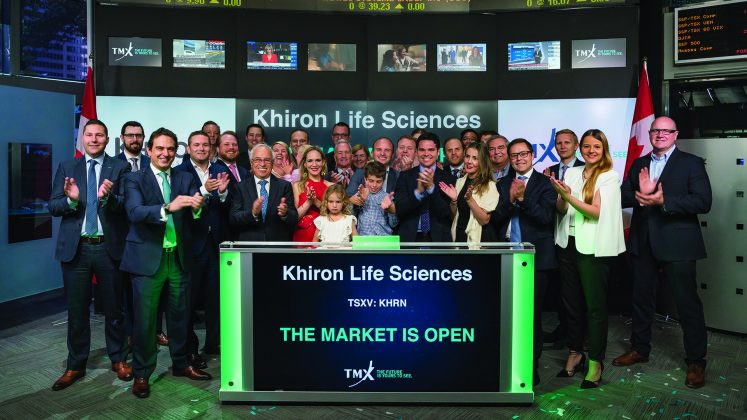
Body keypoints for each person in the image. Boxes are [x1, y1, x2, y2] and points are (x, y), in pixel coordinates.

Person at [613, 116, 712, 389]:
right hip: (643, 242)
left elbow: (703, 201)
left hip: (678, 243)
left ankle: (696, 360)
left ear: (675, 134)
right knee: (641, 299)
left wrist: (663, 200)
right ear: (650, 134)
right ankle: (639, 349)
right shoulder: (639, 163)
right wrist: (639, 196)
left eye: (666, 131)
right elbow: (622, 195)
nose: (660, 135)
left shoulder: (691, 163)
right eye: (656, 130)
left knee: (687, 304)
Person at [120, 127, 210, 399]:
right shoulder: (134, 178)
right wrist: (168, 207)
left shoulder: (184, 177)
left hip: (178, 259)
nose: (165, 153)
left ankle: (181, 363)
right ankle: (142, 373)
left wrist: (197, 206)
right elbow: (135, 212)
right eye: (159, 148)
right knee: (145, 322)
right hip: (147, 260)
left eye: (170, 149)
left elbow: (196, 209)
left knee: (180, 316)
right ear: (149, 150)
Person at [49, 119, 132, 391]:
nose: (94, 139)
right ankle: (76, 364)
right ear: (82, 138)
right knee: (77, 311)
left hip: (109, 248)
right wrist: (71, 200)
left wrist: (109, 198)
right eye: (89, 135)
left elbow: (126, 206)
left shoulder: (119, 167)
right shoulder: (67, 167)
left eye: (99, 135)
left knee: (115, 309)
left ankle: (118, 358)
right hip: (77, 249)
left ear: (107, 139)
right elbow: (53, 206)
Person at [550, 129, 625, 389]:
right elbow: (561, 209)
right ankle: (575, 352)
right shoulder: (571, 172)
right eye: (586, 146)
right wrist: (561, 196)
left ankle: (595, 361)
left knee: (595, 308)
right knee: (571, 304)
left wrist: (568, 196)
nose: (591, 151)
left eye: (596, 147)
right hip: (567, 244)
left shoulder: (609, 176)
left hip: (592, 248)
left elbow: (595, 213)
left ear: (604, 150)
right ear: (580, 148)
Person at [490, 138, 558, 386]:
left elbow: (546, 218)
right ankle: (507, 361)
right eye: (514, 155)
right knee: (506, 312)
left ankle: (530, 364)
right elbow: (495, 219)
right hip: (507, 254)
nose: (519, 159)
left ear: (532, 155)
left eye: (523, 154)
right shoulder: (502, 184)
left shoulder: (545, 183)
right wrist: (510, 200)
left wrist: (522, 199)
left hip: (535, 258)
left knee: (531, 314)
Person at [173, 131, 230, 365]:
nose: (201, 148)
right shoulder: (179, 173)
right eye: (196, 145)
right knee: (188, 302)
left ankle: (214, 342)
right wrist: (205, 190)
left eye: (205, 145)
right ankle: (191, 350)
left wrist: (223, 193)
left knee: (216, 298)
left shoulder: (220, 170)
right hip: (191, 244)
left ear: (211, 147)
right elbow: (183, 207)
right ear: (188, 148)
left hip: (216, 244)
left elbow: (229, 207)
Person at [542, 128, 585, 346]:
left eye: (567, 142)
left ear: (576, 146)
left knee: (580, 288)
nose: (562, 146)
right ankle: (564, 328)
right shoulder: (548, 171)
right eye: (558, 143)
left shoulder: (586, 168)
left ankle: (580, 334)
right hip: (556, 234)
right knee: (562, 288)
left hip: (580, 234)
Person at [395, 132, 456, 243]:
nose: (426, 154)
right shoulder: (405, 176)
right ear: (416, 152)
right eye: (422, 150)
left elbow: (447, 214)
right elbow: (400, 210)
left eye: (431, 150)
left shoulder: (449, 178)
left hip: (440, 239)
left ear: (438, 152)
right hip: (409, 239)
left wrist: (431, 189)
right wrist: (418, 193)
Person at [229, 144, 298, 241]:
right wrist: (252, 213)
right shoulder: (240, 187)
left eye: (267, 160)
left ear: (272, 162)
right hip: (249, 245)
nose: (262, 164)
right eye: (258, 160)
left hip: (277, 244)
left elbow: (294, 218)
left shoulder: (284, 186)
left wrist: (285, 213)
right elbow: (233, 219)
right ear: (251, 163)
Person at [439, 142, 498, 247]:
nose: (469, 161)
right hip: (459, 236)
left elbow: (484, 220)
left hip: (478, 240)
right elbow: (454, 216)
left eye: (475, 158)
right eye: (467, 156)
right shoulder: (459, 182)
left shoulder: (489, 185)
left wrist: (470, 200)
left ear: (483, 162)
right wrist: (454, 201)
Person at [293, 146, 334, 244]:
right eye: (310, 161)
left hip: (326, 234)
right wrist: (308, 202)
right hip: (303, 234)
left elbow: (335, 215)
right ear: (305, 164)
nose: (314, 164)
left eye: (318, 160)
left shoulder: (332, 186)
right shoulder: (297, 186)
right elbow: (294, 217)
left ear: (323, 162)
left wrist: (316, 201)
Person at [356, 161, 397, 236]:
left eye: (378, 182)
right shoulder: (360, 194)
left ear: (383, 181)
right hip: (363, 238)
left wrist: (390, 209)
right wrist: (361, 201)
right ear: (365, 179)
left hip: (383, 238)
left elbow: (394, 224)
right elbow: (351, 216)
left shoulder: (387, 198)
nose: (374, 185)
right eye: (371, 181)